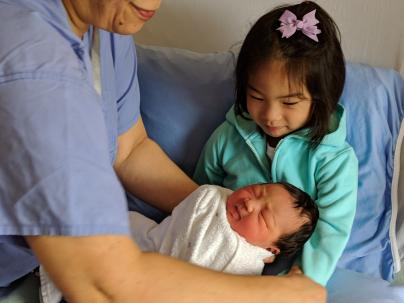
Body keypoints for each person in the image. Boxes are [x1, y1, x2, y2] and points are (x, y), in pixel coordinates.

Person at [0, 0, 325, 302]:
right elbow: (99, 281)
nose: (154, 3)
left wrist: (216, 216)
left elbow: (130, 150)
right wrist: (276, 294)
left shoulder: (108, 25)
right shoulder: (36, 66)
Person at [194, 1, 358, 286]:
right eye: (256, 97)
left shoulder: (334, 160)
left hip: (281, 281)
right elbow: (199, 194)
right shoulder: (227, 136)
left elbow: (331, 232)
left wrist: (298, 283)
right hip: (209, 261)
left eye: (290, 102)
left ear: (320, 99)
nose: (270, 116)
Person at [130, 182, 319, 274]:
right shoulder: (213, 197)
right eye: (256, 191)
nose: (250, 203)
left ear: (270, 249)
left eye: (262, 216)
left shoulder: (247, 265)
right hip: (153, 249)